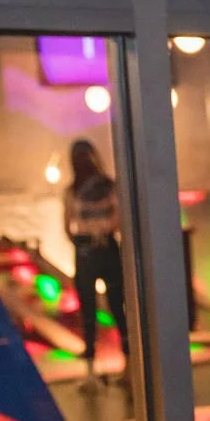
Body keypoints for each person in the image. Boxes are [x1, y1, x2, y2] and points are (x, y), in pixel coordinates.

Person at [65, 138, 129, 385]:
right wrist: (101, 232)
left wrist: (86, 238)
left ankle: (99, 371)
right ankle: (120, 368)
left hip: (91, 250)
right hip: (100, 248)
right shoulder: (104, 187)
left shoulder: (76, 191)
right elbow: (119, 218)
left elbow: (68, 223)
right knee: (109, 308)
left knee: (103, 309)